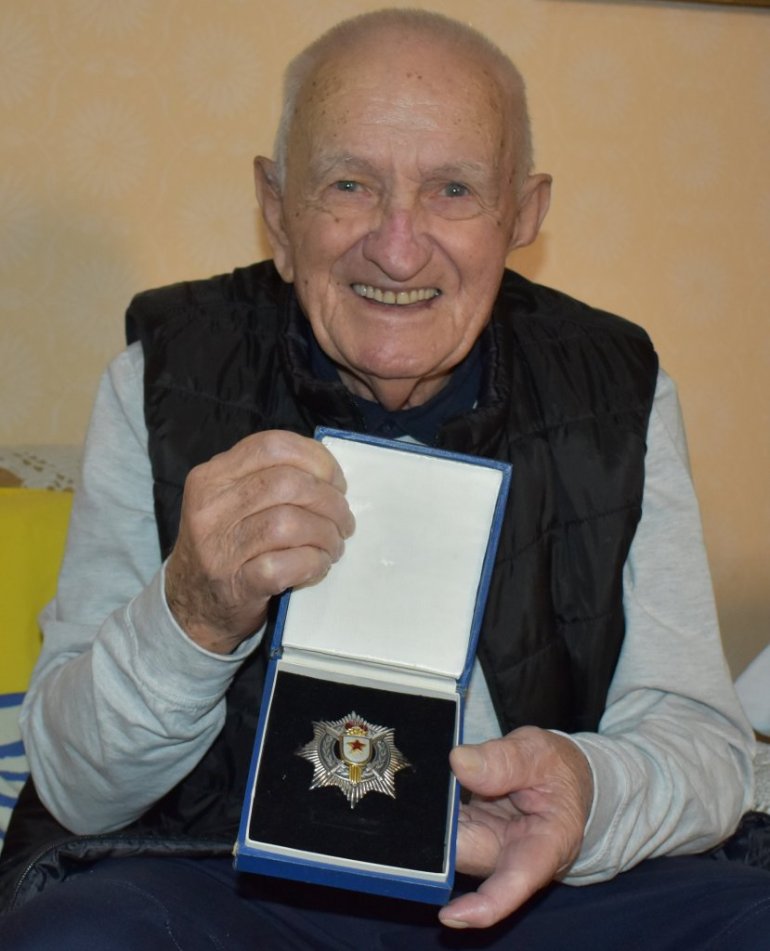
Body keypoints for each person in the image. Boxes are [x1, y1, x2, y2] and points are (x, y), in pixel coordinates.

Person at [1, 8, 768, 948]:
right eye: (349, 184)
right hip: (234, 882)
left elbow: (702, 746)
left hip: (542, 893)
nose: (398, 247)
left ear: (523, 215)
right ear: (277, 209)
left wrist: (586, 790)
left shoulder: (618, 390)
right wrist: (191, 613)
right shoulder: (160, 378)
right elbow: (76, 788)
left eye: (454, 189)